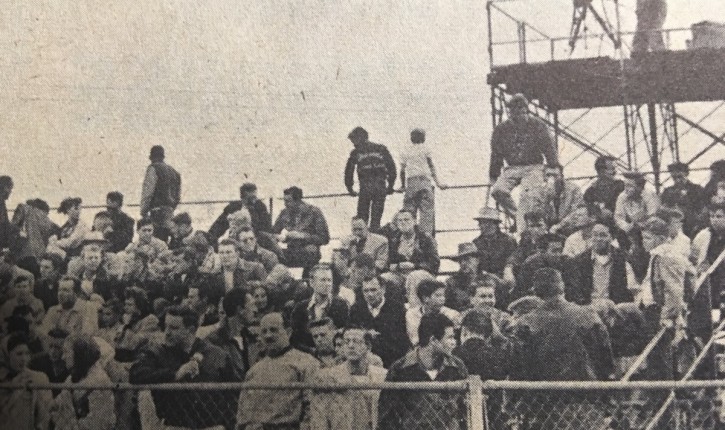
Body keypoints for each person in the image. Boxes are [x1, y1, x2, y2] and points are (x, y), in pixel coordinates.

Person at [130, 305, 239, 430]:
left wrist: (227, 425)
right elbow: (135, 374)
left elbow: (234, 393)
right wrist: (174, 374)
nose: (167, 332)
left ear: (191, 330)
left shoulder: (216, 355)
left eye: (174, 328)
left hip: (211, 426)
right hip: (174, 425)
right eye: (166, 326)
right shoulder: (158, 353)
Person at [378, 313, 468, 430]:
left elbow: (465, 410)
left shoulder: (457, 367)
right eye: (450, 337)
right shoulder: (400, 369)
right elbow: (386, 415)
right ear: (433, 340)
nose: (454, 342)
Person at [236, 312, 321, 430]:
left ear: (288, 332)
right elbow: (243, 414)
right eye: (264, 331)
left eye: (273, 330)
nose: (268, 336)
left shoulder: (306, 363)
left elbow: (313, 406)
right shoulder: (254, 371)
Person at [489, 93, 558, 229]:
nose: (518, 115)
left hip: (534, 166)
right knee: (498, 190)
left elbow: (549, 148)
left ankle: (522, 221)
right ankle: (518, 216)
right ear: (510, 113)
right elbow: (496, 153)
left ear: (526, 110)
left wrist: (553, 168)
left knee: (527, 196)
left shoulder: (538, 125)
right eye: (514, 112)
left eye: (520, 111)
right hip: (513, 167)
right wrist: (493, 175)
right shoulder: (501, 129)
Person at [638, 217, 695, 380]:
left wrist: (667, 316)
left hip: (660, 312)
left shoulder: (667, 256)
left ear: (660, 238)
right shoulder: (658, 254)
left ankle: (663, 393)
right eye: (643, 238)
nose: (643, 242)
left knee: (660, 357)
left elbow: (674, 291)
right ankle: (661, 392)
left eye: (647, 238)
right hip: (652, 309)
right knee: (656, 356)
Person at [310, 327, 387, 430]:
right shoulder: (328, 377)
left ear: (368, 346)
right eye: (346, 342)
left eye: (356, 341)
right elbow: (319, 417)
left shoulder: (382, 376)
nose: (351, 346)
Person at [50, 336, 115, 430]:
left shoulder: (100, 382)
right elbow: (57, 406)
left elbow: (98, 424)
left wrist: (68, 425)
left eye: (66, 352)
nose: (63, 357)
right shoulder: (71, 378)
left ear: (79, 354)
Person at [568, 223, 636, 305]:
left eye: (603, 235)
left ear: (611, 237)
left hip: (614, 308)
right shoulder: (580, 260)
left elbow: (630, 290)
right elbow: (576, 292)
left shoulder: (621, 259)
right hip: (588, 308)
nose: (598, 239)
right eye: (595, 235)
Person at [349, 277, 410, 367]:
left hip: (391, 361)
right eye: (366, 291)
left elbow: (402, 341)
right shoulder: (356, 309)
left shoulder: (397, 309)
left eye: (373, 290)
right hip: (363, 362)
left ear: (383, 289)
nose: (370, 294)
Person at [344, 126, 397, 230]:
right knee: (376, 220)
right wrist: (390, 186)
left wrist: (350, 189)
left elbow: (348, 172)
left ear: (360, 138)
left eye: (354, 140)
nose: (353, 143)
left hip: (365, 188)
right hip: (380, 187)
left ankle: (364, 238)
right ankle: (374, 236)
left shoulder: (356, 152)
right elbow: (392, 169)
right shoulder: (381, 149)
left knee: (362, 220)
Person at [399, 128, 447, 236]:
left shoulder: (406, 150)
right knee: (426, 213)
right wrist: (438, 183)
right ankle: (426, 238)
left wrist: (402, 186)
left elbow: (402, 170)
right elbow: (431, 166)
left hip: (411, 183)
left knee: (409, 213)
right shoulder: (426, 149)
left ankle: (409, 237)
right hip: (424, 182)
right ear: (423, 138)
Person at [290, 264, 349, 351]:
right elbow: (295, 339)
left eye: (329, 280)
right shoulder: (300, 308)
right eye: (323, 280)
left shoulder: (341, 305)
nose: (327, 284)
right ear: (312, 283)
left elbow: (343, 335)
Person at [0, 332, 52, 430]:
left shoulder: (39, 378)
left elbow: (45, 416)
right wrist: (16, 390)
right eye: (19, 354)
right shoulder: (2, 380)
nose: (24, 359)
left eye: (27, 353)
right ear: (8, 355)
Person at [273, 186, 330, 271]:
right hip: (291, 250)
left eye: (288, 201)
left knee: (310, 253)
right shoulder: (284, 213)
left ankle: (308, 276)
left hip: (309, 252)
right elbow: (273, 232)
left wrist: (302, 236)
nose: (285, 204)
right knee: (270, 257)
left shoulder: (314, 212)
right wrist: (278, 237)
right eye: (284, 201)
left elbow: (324, 238)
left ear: (298, 201)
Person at [140, 145, 181, 242]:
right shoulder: (175, 172)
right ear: (163, 157)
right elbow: (178, 197)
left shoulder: (153, 168)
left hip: (157, 213)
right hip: (170, 213)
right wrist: (171, 208)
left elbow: (148, 193)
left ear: (151, 157)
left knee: (156, 242)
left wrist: (143, 211)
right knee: (167, 242)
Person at [332, 217, 388, 285]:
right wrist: (345, 249)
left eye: (360, 229)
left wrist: (361, 272)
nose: (357, 232)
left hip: (370, 277)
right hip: (350, 277)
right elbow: (339, 264)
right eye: (354, 229)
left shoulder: (380, 241)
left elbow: (380, 263)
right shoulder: (347, 241)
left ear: (366, 227)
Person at [208, 183, 272, 241]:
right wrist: (210, 238)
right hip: (235, 240)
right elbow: (218, 227)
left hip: (254, 240)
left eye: (255, 197)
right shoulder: (232, 208)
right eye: (250, 198)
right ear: (242, 197)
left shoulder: (260, 207)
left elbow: (266, 228)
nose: (253, 201)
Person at [533, 164, 585, 233]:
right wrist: (547, 199)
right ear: (544, 177)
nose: (551, 179)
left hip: (569, 228)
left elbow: (578, 211)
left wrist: (560, 226)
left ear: (562, 176)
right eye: (548, 175)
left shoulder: (573, 189)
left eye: (555, 175)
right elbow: (537, 215)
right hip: (548, 230)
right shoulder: (539, 192)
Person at [406, 280, 460, 346]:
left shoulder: (453, 314)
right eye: (438, 295)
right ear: (425, 298)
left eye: (443, 295)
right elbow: (414, 340)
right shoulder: (412, 314)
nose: (443, 299)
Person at [661, 162, 706, 238]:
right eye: (674, 178)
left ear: (687, 174)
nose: (677, 180)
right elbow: (663, 209)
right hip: (673, 225)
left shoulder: (697, 189)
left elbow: (703, 210)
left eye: (680, 177)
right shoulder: (668, 191)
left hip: (693, 225)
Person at [387, 209, 440, 274]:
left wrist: (415, 266)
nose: (403, 222)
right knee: (384, 277)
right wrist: (398, 266)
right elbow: (389, 263)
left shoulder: (425, 238)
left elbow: (434, 263)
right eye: (400, 220)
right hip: (401, 273)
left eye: (406, 220)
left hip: (422, 273)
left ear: (414, 221)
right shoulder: (394, 240)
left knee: (413, 276)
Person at [470, 207, 516, 278]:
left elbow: (514, 261)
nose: (480, 226)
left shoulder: (508, 241)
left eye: (483, 222)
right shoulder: (476, 243)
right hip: (482, 279)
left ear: (493, 224)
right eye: (480, 223)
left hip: (503, 279)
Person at [445, 242, 483, 312]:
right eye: (460, 261)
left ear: (477, 260)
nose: (463, 263)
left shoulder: (489, 279)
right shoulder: (451, 283)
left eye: (467, 259)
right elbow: (444, 307)